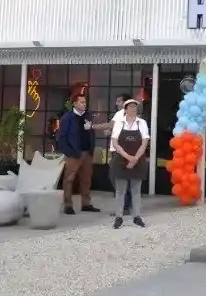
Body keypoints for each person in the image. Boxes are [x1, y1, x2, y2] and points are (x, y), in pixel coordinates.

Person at [57, 94, 101, 215]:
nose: (84, 104)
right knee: (69, 179)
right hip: (73, 153)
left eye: (85, 102)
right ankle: (68, 205)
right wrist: (69, 152)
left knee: (86, 179)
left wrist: (92, 149)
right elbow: (62, 137)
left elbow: (91, 133)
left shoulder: (88, 116)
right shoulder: (67, 118)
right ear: (75, 104)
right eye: (81, 102)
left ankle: (86, 204)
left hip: (87, 152)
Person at [109, 99, 149, 229]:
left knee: (136, 191)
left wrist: (135, 158)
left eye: (135, 107)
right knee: (120, 191)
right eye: (131, 107)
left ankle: (136, 217)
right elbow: (115, 143)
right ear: (125, 109)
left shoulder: (142, 123)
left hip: (138, 161)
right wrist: (127, 157)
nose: (133, 109)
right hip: (121, 160)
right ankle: (119, 217)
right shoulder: (119, 123)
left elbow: (144, 143)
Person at [92, 93, 133, 215]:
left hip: (120, 151)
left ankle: (124, 207)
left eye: (119, 101)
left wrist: (93, 126)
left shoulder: (122, 113)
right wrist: (110, 131)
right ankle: (126, 205)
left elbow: (111, 124)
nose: (116, 103)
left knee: (116, 177)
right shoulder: (125, 114)